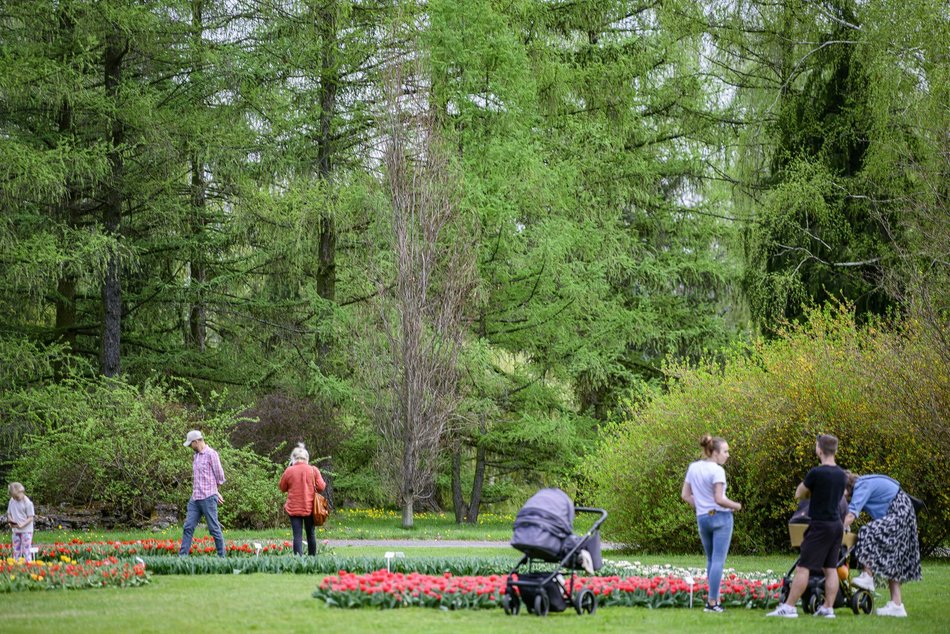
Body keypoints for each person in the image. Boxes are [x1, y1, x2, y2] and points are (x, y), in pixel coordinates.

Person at [767, 434, 847, 619]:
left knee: (803, 567)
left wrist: (813, 492)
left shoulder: (816, 473)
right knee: (830, 568)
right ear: (834, 450)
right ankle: (828, 608)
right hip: (836, 526)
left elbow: (799, 493)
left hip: (819, 525)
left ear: (819, 449)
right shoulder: (842, 474)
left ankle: (789, 607)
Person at [844, 472, 921, 617]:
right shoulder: (863, 484)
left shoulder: (862, 485)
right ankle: (897, 606)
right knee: (891, 560)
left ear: (846, 487)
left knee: (867, 531)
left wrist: (836, 529)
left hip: (900, 511)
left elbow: (851, 514)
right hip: (903, 510)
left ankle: (867, 577)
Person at [681, 434, 742, 613]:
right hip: (721, 518)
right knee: (718, 561)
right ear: (714, 452)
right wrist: (736, 505)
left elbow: (685, 495)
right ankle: (713, 602)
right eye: (725, 451)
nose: (727, 455)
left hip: (703, 518)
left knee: (710, 559)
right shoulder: (717, 470)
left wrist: (700, 506)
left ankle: (712, 599)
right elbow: (719, 499)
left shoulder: (693, 467)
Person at [179, 430, 227, 557]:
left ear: (196, 442)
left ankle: (222, 558)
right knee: (188, 527)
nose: (190, 447)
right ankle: (182, 558)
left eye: (191, 444)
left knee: (214, 529)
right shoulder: (196, 456)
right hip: (195, 499)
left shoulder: (212, 454)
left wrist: (215, 492)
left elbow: (220, 477)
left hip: (208, 498)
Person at [278, 443, 326, 556]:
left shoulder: (289, 471)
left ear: (293, 458)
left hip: (293, 508)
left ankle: (298, 561)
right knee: (311, 534)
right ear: (307, 458)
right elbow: (321, 487)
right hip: (310, 508)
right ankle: (312, 559)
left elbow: (282, 487)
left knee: (297, 536)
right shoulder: (313, 470)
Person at [6, 482, 35, 562]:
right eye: (13, 497)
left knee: (26, 550)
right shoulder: (12, 501)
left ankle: (28, 566)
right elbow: (9, 513)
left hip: (26, 531)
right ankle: (16, 565)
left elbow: (30, 518)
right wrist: (10, 520)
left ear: (21, 492)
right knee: (16, 550)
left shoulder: (28, 503)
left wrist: (22, 524)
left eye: (17, 497)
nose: (15, 498)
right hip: (15, 530)